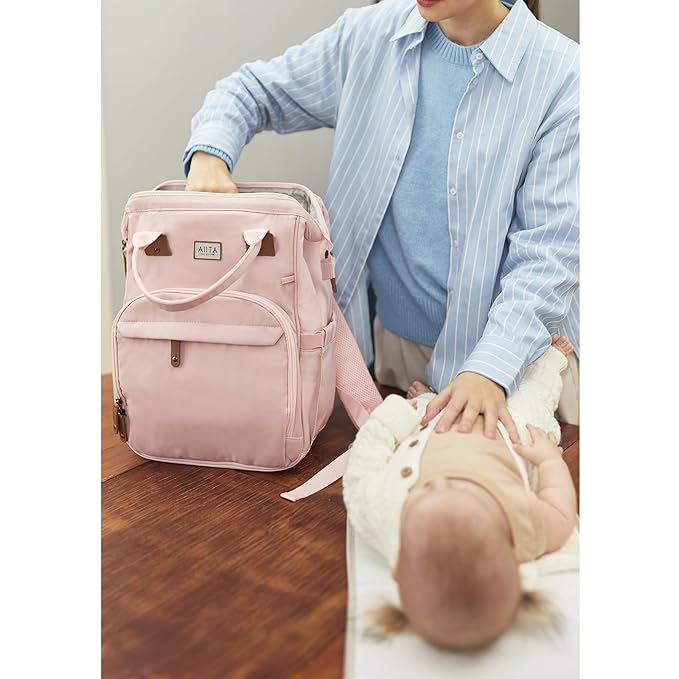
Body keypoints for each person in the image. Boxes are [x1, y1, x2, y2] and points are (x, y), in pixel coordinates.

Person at [183, 0, 580, 440]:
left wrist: (489, 369)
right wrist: (209, 157)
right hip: (398, 357)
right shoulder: (369, 37)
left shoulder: (563, 76)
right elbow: (251, 90)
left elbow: (548, 255)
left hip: (521, 364)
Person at [342, 338, 577, 650]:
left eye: (427, 489)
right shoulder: (521, 525)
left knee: (422, 412)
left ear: (397, 568)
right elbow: (560, 510)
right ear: (515, 557)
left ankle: (429, 398)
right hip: (510, 428)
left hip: (433, 423)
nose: (444, 482)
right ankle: (550, 362)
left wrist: (389, 421)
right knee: (534, 400)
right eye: (465, 493)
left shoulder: (381, 517)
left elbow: (363, 467)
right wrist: (549, 461)